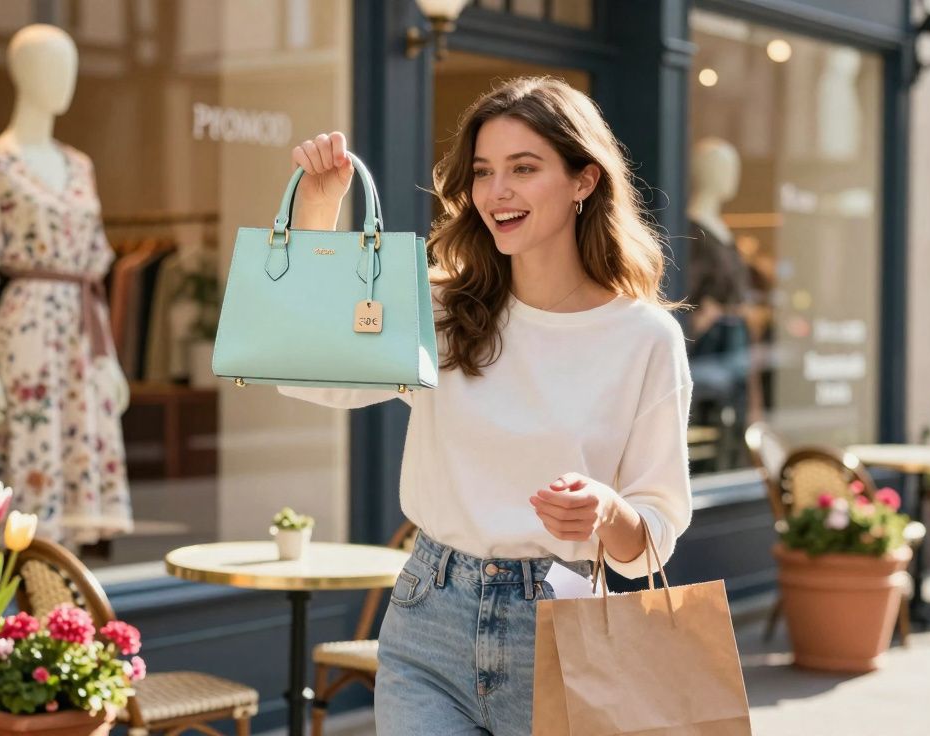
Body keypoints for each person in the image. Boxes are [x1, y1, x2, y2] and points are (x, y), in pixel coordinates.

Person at [279, 77, 693, 736]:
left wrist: (608, 511)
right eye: (483, 172)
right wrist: (317, 215)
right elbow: (315, 374)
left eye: (523, 169)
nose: (497, 191)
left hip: (562, 633)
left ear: (584, 180)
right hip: (427, 618)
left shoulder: (644, 338)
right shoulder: (441, 310)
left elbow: (653, 538)